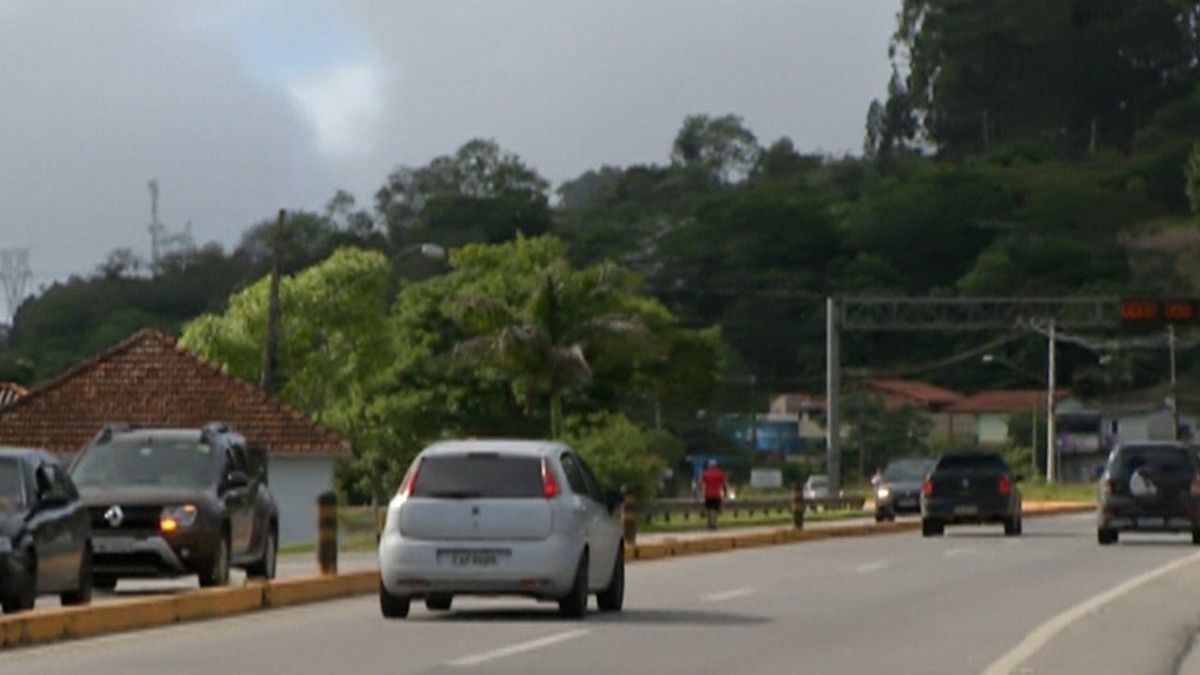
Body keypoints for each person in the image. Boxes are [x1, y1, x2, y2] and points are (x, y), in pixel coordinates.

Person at [697, 459, 728, 530]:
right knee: (715, 509)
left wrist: (700, 491)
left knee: (709, 509)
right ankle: (713, 523)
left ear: (709, 465)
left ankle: (709, 523)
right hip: (717, 494)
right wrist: (725, 492)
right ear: (715, 466)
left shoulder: (705, 473)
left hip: (708, 494)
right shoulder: (720, 473)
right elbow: (724, 484)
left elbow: (700, 483)